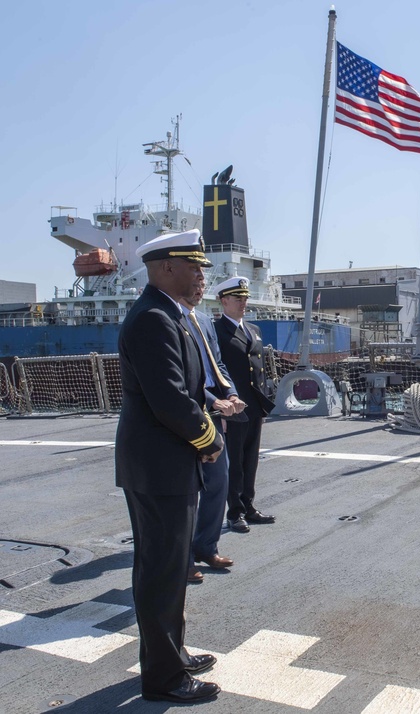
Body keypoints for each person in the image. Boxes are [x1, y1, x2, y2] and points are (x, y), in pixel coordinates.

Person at [116, 229, 223, 703]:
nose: (203, 277)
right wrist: (209, 438)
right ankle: (164, 678)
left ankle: (171, 654)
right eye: (195, 267)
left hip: (166, 465)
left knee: (171, 566)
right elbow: (170, 400)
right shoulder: (154, 319)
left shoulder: (171, 316)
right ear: (166, 269)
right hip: (159, 467)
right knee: (161, 571)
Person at [180, 286, 247, 583]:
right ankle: (182, 560)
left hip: (212, 415)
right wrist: (211, 399)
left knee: (219, 480)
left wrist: (231, 394)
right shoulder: (170, 320)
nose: (198, 287)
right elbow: (180, 377)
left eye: (201, 283)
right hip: (186, 412)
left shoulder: (204, 321)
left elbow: (217, 365)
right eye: (193, 279)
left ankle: (206, 546)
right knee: (186, 491)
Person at [214, 277, 276, 533]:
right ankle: (235, 511)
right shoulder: (216, 332)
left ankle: (248, 505)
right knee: (235, 461)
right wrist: (222, 411)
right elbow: (216, 370)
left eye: (245, 298)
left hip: (253, 405)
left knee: (251, 458)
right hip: (233, 406)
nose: (243, 303)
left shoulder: (253, 330)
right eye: (238, 299)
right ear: (223, 301)